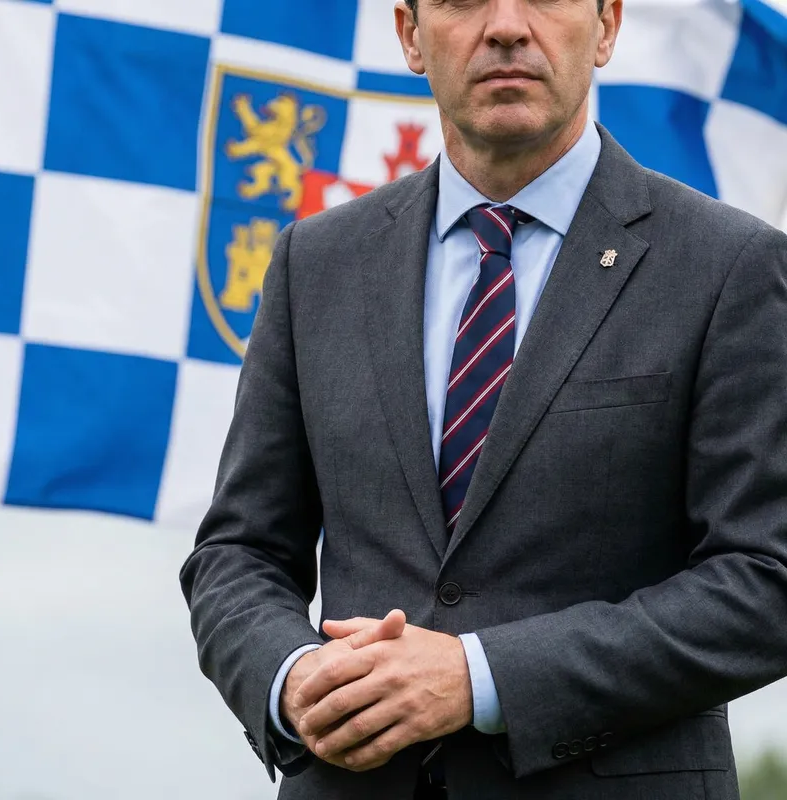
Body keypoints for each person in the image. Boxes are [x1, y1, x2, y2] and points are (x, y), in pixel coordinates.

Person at [179, 0, 787, 797]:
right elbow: (239, 552)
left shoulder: (730, 265)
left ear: (606, 25)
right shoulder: (314, 263)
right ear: (409, 35)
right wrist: (291, 679)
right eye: (464, 0)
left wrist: (480, 675)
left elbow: (764, 580)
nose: (505, 24)